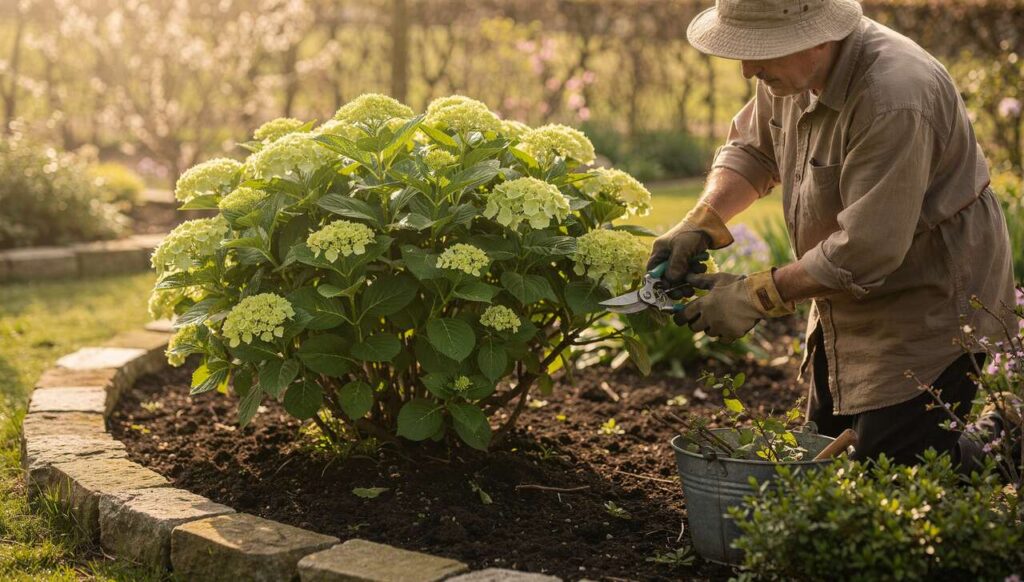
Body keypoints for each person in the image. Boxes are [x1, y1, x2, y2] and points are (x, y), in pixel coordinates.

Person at [646, 0, 1017, 467]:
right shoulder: (788, 71)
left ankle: (1008, 435)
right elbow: (752, 150)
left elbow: (866, 250)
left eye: (758, 50)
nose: (745, 69)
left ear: (818, 35)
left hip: (929, 297)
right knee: (826, 457)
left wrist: (755, 296)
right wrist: (701, 220)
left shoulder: (894, 96)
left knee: (895, 474)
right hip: (845, 296)